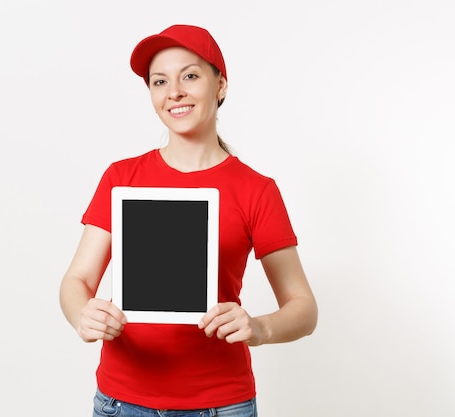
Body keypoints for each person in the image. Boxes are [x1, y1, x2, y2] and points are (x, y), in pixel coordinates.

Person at [59, 24, 318, 417]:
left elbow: (303, 307)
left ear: (221, 86)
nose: (173, 92)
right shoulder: (121, 178)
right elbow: (77, 280)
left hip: (219, 404)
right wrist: (83, 314)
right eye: (159, 81)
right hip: (121, 402)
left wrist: (260, 329)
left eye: (190, 76)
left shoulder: (256, 190)